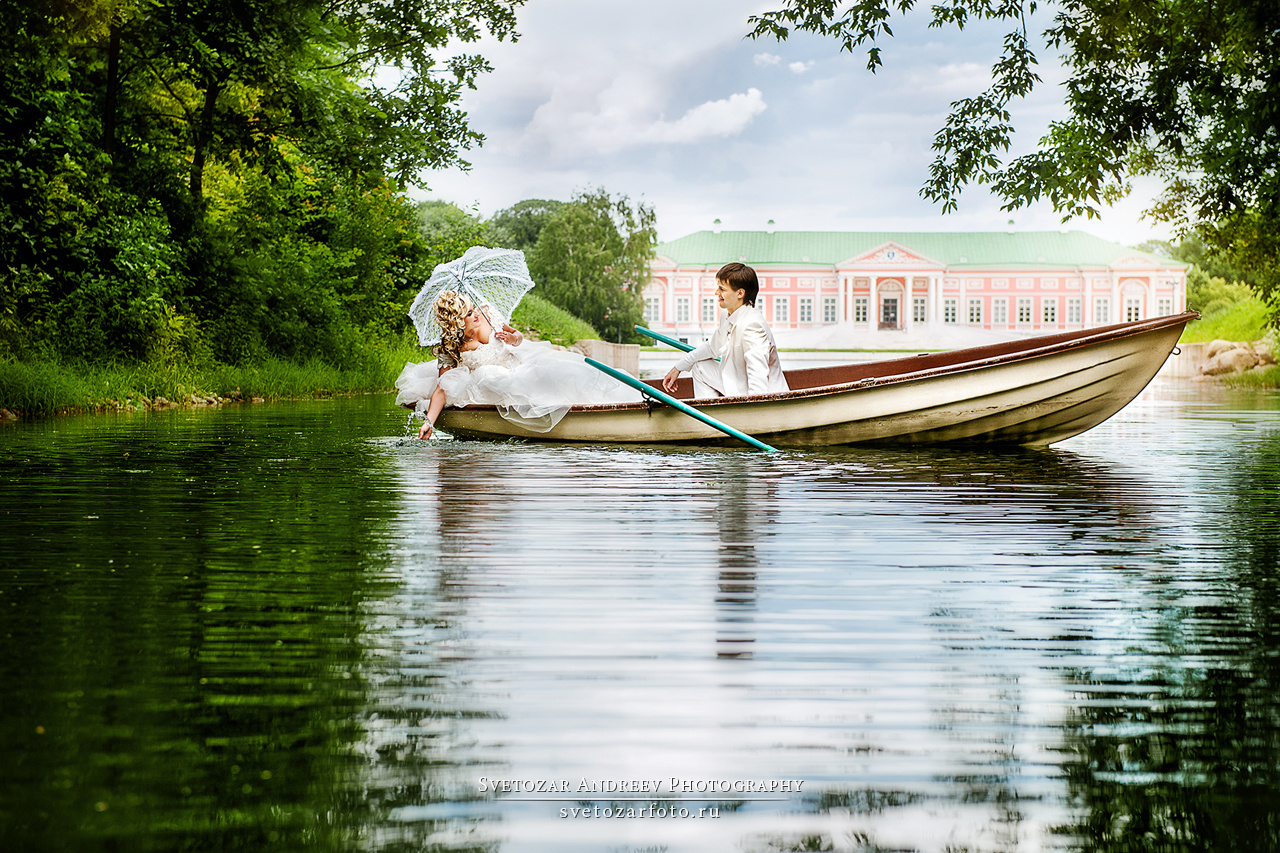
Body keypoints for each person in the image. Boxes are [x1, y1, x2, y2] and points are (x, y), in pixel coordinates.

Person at [395, 290, 642, 439]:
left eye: (472, 308)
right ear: (457, 324)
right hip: (495, 384)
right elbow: (442, 386)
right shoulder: (450, 347)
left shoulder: (489, 315)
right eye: (469, 314)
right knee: (489, 375)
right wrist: (429, 422)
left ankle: (601, 409)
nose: (476, 314)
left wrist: (512, 338)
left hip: (521, 364)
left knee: (558, 372)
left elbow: (519, 338)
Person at [662, 262, 789, 399]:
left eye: (722, 289)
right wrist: (678, 368)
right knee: (700, 366)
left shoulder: (753, 325)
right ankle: (710, 414)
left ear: (740, 293)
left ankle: (724, 414)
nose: (717, 293)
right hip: (739, 385)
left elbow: (757, 375)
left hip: (767, 397)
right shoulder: (728, 315)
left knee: (702, 367)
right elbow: (711, 348)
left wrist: (753, 409)